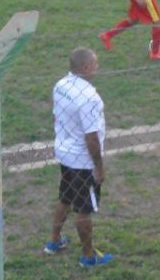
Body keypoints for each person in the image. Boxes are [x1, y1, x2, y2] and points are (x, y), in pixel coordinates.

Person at [44, 48, 114, 268]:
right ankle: (88, 256)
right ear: (85, 68)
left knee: (65, 198)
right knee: (84, 209)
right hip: (82, 161)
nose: (97, 67)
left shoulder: (61, 84)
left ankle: (53, 242)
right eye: (95, 64)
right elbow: (91, 137)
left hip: (64, 152)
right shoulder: (89, 97)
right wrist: (99, 166)